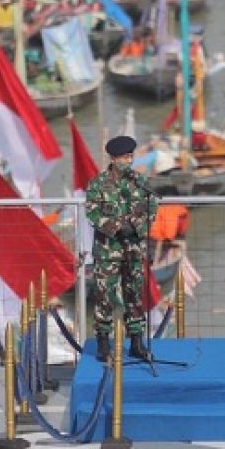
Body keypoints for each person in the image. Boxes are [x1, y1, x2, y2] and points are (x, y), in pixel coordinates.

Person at [85, 135, 159, 362]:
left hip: (134, 249)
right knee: (104, 295)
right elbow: (92, 212)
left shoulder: (140, 182)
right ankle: (103, 344)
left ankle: (136, 342)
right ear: (113, 158)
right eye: (125, 157)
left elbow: (151, 209)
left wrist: (136, 227)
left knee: (134, 294)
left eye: (130, 156)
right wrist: (116, 228)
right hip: (108, 250)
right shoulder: (99, 184)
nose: (129, 161)